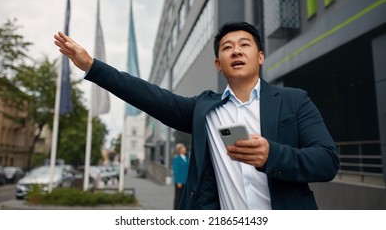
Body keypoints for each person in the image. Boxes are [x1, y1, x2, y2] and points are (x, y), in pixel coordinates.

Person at [54, 21, 339, 210]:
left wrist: (272, 155)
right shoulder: (203, 109)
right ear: (218, 63)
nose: (236, 51)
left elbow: (327, 161)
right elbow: (147, 94)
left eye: (244, 44)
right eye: (227, 47)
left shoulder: (293, 100)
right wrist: (93, 66)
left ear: (260, 57)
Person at [172, 143, 189, 209]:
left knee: (184, 197)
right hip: (179, 181)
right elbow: (176, 171)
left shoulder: (186, 158)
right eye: (183, 147)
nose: (185, 148)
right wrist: (178, 181)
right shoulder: (177, 158)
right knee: (178, 197)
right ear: (179, 150)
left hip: (186, 181)